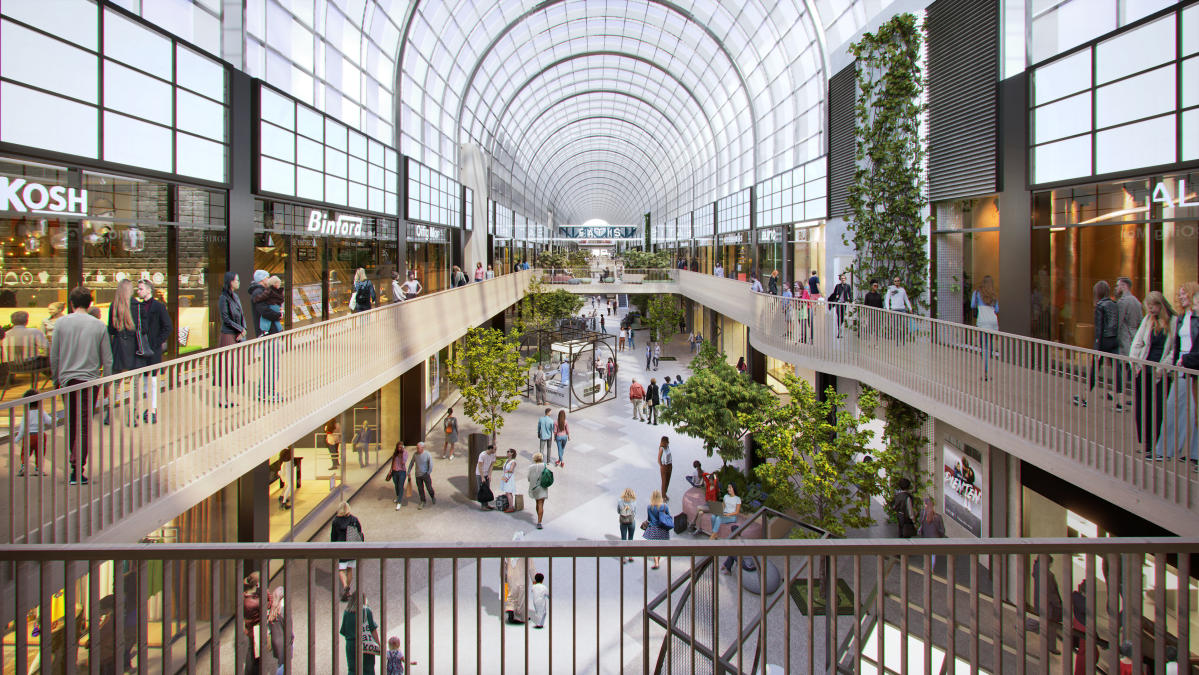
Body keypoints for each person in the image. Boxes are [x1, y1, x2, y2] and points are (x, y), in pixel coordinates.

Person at [50, 287, 112, 485]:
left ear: (71, 303)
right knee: (84, 425)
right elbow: (107, 359)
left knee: (71, 421)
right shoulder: (99, 326)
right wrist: (107, 383)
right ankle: (77, 469)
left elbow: (54, 355)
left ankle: (75, 465)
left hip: (67, 380)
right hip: (90, 380)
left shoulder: (60, 323)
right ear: (90, 303)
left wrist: (55, 378)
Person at [1154, 282, 1199, 462]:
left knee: (1191, 409)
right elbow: (1176, 345)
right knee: (1174, 406)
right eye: (1179, 294)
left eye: (1183, 293)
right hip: (1182, 366)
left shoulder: (1196, 318)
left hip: (1191, 365)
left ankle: (1189, 452)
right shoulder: (1181, 318)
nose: (1180, 296)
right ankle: (1167, 449)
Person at [1130, 291, 1176, 454]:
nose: (1150, 309)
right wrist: (1135, 362)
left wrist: (1162, 368)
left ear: (1160, 305)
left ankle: (1157, 444)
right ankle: (1147, 443)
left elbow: (1173, 350)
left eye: (1153, 306)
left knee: (1158, 407)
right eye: (1148, 306)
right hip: (1144, 368)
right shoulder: (1148, 319)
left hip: (1160, 372)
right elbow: (1138, 342)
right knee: (1142, 406)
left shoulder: (1173, 321)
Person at [1074, 281, 1123, 410]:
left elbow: (1099, 329)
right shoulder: (1114, 304)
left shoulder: (1099, 306)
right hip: (1114, 340)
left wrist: (1096, 347)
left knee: (1094, 370)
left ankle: (1084, 397)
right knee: (1116, 370)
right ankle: (1119, 402)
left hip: (1103, 341)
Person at [131, 279, 172, 424]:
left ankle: (153, 409)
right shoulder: (138, 306)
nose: (138, 291)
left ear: (149, 290)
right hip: (141, 349)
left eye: (141, 289)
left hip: (153, 349)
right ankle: (145, 408)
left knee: (153, 380)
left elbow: (167, 326)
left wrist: (156, 343)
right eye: (138, 289)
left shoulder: (159, 307)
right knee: (144, 380)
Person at [104, 280, 137, 425]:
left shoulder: (113, 306)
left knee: (115, 384)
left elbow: (110, 329)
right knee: (134, 383)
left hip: (117, 347)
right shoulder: (136, 305)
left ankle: (109, 415)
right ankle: (131, 416)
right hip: (134, 347)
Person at [216, 272, 246, 407]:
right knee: (226, 367)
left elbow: (241, 315)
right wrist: (240, 329)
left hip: (237, 335)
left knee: (234, 368)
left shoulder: (236, 297)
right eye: (237, 280)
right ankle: (222, 398)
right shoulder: (224, 298)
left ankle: (229, 398)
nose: (239, 282)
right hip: (228, 335)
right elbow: (226, 319)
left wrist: (243, 330)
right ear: (230, 282)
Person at [330, 502, 364, 601]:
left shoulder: (336, 521)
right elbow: (359, 532)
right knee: (349, 569)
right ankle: (347, 590)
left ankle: (345, 586)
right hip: (351, 547)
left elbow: (333, 536)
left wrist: (332, 547)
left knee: (341, 570)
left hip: (340, 547)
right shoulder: (354, 519)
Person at [1116, 277, 1143, 401]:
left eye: (1118, 286)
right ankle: (1132, 394)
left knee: (1122, 368)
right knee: (1130, 368)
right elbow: (1140, 321)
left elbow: (1119, 322)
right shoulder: (1137, 302)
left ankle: (1121, 397)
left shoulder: (1123, 302)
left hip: (1124, 338)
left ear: (1124, 286)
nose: (1116, 288)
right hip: (1135, 336)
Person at [339, 594, 380, 675]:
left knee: (352, 669)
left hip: (350, 645)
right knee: (367, 669)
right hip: (365, 644)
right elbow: (373, 630)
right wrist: (378, 645)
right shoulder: (366, 611)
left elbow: (344, 631)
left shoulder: (346, 613)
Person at [13, 389, 50, 477]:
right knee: (40, 453)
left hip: (29, 436)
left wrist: (17, 438)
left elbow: (22, 428)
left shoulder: (26, 413)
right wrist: (55, 419)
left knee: (25, 452)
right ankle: (39, 469)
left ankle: (24, 468)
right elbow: (49, 421)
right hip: (41, 435)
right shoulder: (42, 412)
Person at [502, 532, 535, 622]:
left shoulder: (508, 552)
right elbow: (531, 567)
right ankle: (521, 615)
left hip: (511, 577)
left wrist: (504, 577)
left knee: (511, 595)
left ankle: (510, 610)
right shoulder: (526, 552)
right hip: (521, 578)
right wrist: (534, 580)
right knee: (521, 597)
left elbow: (504, 565)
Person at [971, 275, 1000, 381]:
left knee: (984, 346)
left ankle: (985, 371)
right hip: (992, 321)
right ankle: (989, 368)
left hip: (982, 321)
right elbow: (997, 310)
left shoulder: (977, 293)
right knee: (990, 346)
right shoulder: (993, 295)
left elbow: (972, 305)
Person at [643, 490, 671, 569]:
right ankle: (658, 559)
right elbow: (668, 516)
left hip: (654, 529)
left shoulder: (650, 507)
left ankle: (656, 562)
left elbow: (649, 519)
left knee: (655, 546)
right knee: (661, 544)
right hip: (662, 528)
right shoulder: (665, 506)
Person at [918, 497, 947, 568]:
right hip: (935, 538)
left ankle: (926, 566)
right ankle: (931, 568)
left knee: (926, 553)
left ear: (925, 505)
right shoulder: (938, 517)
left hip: (926, 537)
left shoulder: (923, 514)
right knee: (933, 554)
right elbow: (942, 530)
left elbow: (919, 522)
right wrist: (939, 536)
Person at [406, 442, 435, 508]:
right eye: (417, 448)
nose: (417, 449)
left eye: (418, 448)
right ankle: (423, 501)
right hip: (418, 475)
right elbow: (412, 463)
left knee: (429, 488)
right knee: (420, 489)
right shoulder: (415, 455)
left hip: (425, 474)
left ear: (422, 448)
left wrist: (428, 472)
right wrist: (409, 471)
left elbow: (431, 464)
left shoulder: (427, 454)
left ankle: (432, 496)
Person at [885, 276, 912, 343]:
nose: (897, 282)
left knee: (903, 325)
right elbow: (887, 299)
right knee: (895, 326)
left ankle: (903, 340)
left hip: (902, 309)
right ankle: (896, 341)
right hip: (894, 309)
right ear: (894, 282)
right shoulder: (890, 289)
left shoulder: (902, 290)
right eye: (895, 281)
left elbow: (906, 299)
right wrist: (888, 309)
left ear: (900, 281)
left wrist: (910, 308)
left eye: (898, 281)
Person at [527, 452, 551, 529]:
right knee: (541, 504)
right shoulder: (544, 465)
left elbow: (528, 478)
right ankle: (539, 522)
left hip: (534, 488)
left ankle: (538, 518)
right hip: (542, 487)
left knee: (537, 503)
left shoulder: (531, 467)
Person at [828, 273, 852, 337]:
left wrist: (851, 301)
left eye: (844, 279)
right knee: (839, 315)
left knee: (842, 316)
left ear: (845, 279)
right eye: (842, 279)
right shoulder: (838, 286)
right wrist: (835, 298)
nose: (843, 280)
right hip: (838, 303)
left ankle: (840, 327)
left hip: (844, 303)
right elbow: (834, 293)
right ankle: (839, 330)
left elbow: (849, 294)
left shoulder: (847, 286)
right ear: (840, 280)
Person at [617, 488, 637, 562]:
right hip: (631, 521)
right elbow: (635, 512)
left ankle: (623, 557)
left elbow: (618, 511)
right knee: (630, 538)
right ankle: (630, 556)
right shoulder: (634, 501)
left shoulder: (620, 501)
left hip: (623, 521)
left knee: (623, 539)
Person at [386, 443, 408, 510]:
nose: (400, 449)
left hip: (402, 472)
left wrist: (402, 453)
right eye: (399, 447)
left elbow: (403, 462)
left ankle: (399, 502)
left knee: (400, 486)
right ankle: (398, 496)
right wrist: (390, 471)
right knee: (396, 485)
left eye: (401, 447)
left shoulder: (405, 453)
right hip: (394, 471)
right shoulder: (395, 453)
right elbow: (393, 462)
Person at [475, 444, 497, 510]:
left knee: (487, 489)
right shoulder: (482, 455)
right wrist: (482, 477)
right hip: (480, 474)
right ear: (490, 449)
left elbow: (491, 465)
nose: (495, 450)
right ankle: (483, 506)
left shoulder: (493, 455)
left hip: (486, 473)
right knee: (482, 489)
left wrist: (489, 475)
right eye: (494, 449)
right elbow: (480, 466)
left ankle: (486, 505)